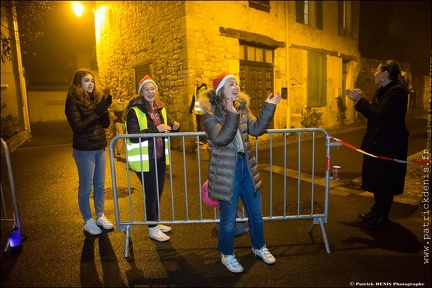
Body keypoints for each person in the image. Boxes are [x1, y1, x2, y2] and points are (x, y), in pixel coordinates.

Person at [198, 72, 281, 273]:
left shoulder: (241, 107)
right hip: (226, 170)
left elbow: (256, 129)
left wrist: (269, 107)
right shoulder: (210, 113)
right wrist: (231, 114)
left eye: (236, 83)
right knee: (228, 219)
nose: (236, 87)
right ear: (220, 90)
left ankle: (259, 246)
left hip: (246, 165)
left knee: (256, 214)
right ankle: (227, 254)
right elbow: (221, 138)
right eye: (231, 84)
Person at [346, 60, 409, 230]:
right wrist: (358, 101)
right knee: (375, 177)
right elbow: (374, 115)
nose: (374, 73)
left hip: (389, 145)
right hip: (377, 143)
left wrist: (360, 100)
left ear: (385, 74)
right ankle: (376, 209)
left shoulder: (397, 92)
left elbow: (378, 114)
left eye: (376, 71)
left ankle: (383, 214)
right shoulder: (382, 90)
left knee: (385, 180)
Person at [125, 74, 180, 242]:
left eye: (153, 88)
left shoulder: (160, 108)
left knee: (158, 191)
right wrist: (157, 129)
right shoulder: (134, 111)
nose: (150, 91)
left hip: (160, 157)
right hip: (144, 160)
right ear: (141, 92)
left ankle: (155, 222)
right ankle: (152, 228)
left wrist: (176, 127)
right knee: (151, 193)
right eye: (147, 89)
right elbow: (134, 136)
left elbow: (168, 126)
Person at [65, 69, 114, 236]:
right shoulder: (72, 101)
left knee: (100, 185)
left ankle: (100, 216)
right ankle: (88, 220)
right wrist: (97, 112)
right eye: (87, 80)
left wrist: (104, 108)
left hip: (99, 148)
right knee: (86, 187)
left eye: (92, 80)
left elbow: (105, 124)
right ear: (79, 83)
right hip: (84, 150)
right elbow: (78, 127)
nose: (91, 83)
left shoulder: (96, 98)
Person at [189, 76, 208, 144]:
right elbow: (193, 100)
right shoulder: (195, 89)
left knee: (203, 125)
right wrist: (191, 109)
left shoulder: (204, 88)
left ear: (201, 81)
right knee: (198, 126)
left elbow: (207, 98)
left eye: (199, 81)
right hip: (197, 111)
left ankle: (204, 140)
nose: (197, 82)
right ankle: (199, 139)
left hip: (203, 111)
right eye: (196, 81)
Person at [109, 89, 128, 157]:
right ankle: (118, 151)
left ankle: (126, 151)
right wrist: (113, 116)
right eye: (124, 95)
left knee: (127, 136)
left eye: (126, 95)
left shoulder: (127, 103)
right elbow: (111, 111)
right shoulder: (115, 104)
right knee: (120, 135)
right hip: (118, 121)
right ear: (121, 96)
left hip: (125, 121)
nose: (125, 97)